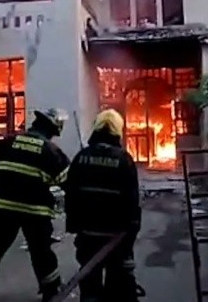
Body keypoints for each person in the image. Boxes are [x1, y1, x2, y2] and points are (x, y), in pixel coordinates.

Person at [0, 108, 71, 302]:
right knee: (41, 251)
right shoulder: (51, 151)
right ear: (52, 131)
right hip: (34, 211)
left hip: (0, 206)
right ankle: (51, 290)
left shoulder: (9, 141)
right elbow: (67, 181)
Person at [64, 109, 142, 302]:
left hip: (88, 236)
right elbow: (132, 202)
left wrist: (74, 227)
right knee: (119, 287)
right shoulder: (124, 160)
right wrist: (131, 233)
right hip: (116, 238)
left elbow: (71, 196)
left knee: (90, 286)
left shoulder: (80, 158)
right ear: (118, 131)